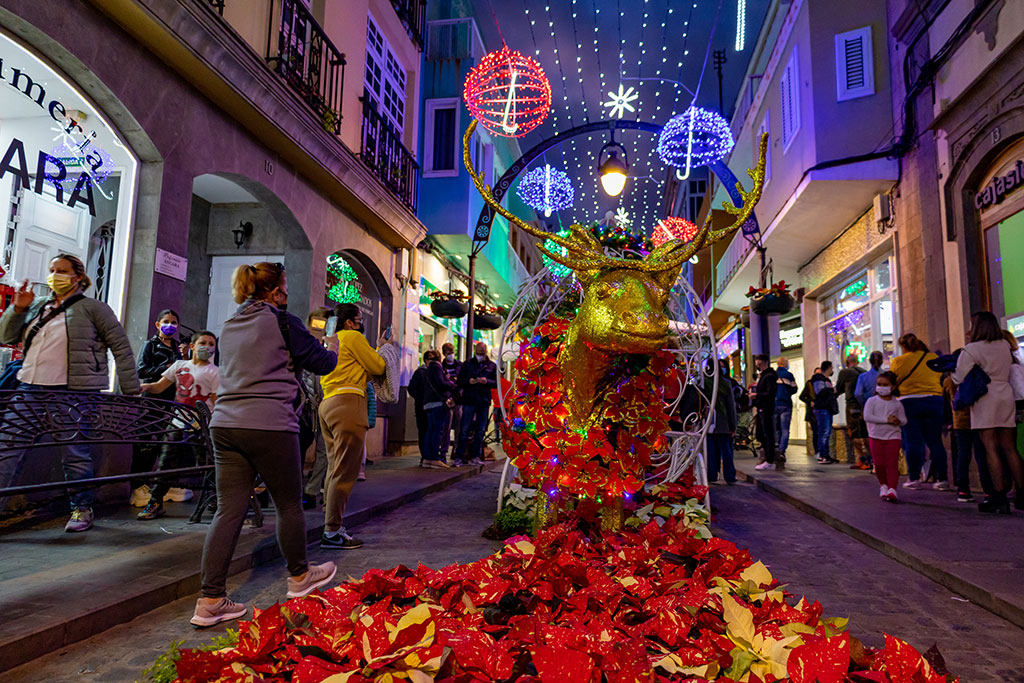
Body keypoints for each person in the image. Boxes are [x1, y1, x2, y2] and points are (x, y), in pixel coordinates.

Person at [192, 262, 338, 628]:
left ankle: (210, 600)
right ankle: (300, 577)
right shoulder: (283, 321)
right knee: (288, 502)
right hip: (269, 423)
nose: (287, 293)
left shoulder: (228, 325)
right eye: (284, 287)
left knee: (228, 511)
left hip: (225, 424)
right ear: (274, 292)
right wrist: (331, 342)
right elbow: (323, 363)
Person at [0, 253, 140, 532]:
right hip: (29, 387)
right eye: (52, 269)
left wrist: (131, 389)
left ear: (78, 276)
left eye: (62, 270)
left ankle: (81, 508)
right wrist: (17, 309)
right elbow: (5, 338)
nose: (55, 275)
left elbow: (120, 347)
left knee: (74, 452)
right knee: (6, 448)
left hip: (72, 392)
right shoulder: (38, 305)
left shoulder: (94, 309)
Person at [318, 303, 388, 549]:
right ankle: (332, 531)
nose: (361, 324)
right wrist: (383, 349)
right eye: (358, 319)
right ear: (349, 321)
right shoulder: (352, 337)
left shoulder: (332, 339)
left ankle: (330, 521)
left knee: (334, 466)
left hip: (327, 402)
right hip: (349, 402)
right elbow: (378, 366)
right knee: (345, 471)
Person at [137, 330, 220, 520]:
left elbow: (215, 401)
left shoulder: (215, 372)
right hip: (177, 422)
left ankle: (214, 500)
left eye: (211, 344)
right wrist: (146, 387)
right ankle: (155, 502)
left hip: (202, 426)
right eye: (203, 343)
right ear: (192, 346)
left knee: (208, 464)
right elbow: (160, 385)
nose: (207, 347)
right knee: (166, 461)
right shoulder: (179, 366)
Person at [951, 311, 1024, 514]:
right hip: (1005, 394)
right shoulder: (1004, 346)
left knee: (990, 447)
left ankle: (998, 497)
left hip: (986, 397)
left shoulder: (972, 349)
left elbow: (958, 377)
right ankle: (1022, 493)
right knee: (1010, 447)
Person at [130, 309, 183, 507]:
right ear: (158, 324)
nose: (170, 325)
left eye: (174, 322)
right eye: (166, 321)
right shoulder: (150, 345)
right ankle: (138, 486)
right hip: (152, 399)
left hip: (171, 400)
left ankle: (162, 485)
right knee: (147, 443)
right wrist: (168, 367)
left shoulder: (178, 347)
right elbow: (142, 370)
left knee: (167, 444)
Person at [891, 333, 950, 490]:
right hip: (933, 400)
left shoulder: (898, 361)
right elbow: (940, 376)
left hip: (909, 402)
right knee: (935, 441)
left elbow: (893, 380)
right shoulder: (932, 357)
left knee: (913, 441)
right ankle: (942, 480)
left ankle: (914, 478)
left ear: (903, 347)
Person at [863, 371, 907, 502]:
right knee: (879, 464)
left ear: (893, 386)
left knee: (892, 463)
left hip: (893, 436)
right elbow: (867, 417)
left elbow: (904, 420)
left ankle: (893, 489)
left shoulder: (897, 404)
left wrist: (898, 421)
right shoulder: (871, 401)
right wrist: (886, 420)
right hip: (875, 436)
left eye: (885, 384)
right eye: (879, 384)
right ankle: (883, 485)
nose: (881, 387)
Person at [454, 341, 497, 466]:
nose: (480, 355)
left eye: (482, 353)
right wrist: (469, 381)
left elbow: (495, 382)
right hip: (469, 399)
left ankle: (475, 455)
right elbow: (460, 380)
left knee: (480, 430)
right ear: (475, 352)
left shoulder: (491, 366)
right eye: (478, 353)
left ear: (485, 352)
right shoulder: (468, 364)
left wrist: (486, 381)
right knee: (464, 429)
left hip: (483, 401)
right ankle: (460, 456)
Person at [420, 349, 456, 468]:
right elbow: (441, 384)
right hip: (437, 403)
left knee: (430, 431)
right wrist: (451, 383)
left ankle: (427, 458)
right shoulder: (436, 367)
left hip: (428, 403)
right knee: (437, 431)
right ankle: (434, 458)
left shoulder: (426, 370)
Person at [835, 353, 870, 470]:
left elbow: (839, 389)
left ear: (846, 362)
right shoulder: (864, 372)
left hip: (852, 405)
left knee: (854, 433)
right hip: (865, 406)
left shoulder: (845, 372)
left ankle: (862, 459)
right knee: (865, 432)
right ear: (858, 361)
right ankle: (869, 459)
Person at [707, 360, 738, 484]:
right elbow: (731, 406)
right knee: (726, 451)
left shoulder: (704, 383)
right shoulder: (725, 383)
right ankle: (729, 476)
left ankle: (711, 475)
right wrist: (733, 426)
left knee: (710, 451)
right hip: (723, 423)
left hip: (708, 423)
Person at [751, 354, 779, 471]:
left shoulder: (769, 376)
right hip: (762, 408)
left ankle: (770, 460)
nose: (756, 363)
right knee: (762, 434)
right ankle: (767, 458)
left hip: (766, 408)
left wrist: (757, 395)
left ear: (762, 362)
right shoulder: (763, 375)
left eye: (757, 361)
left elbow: (770, 393)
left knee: (768, 435)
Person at [810, 362, 839, 463]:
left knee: (826, 432)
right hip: (822, 408)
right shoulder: (818, 378)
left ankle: (826, 454)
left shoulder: (827, 380)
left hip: (827, 408)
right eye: (831, 368)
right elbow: (820, 391)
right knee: (823, 432)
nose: (832, 370)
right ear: (828, 368)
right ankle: (822, 455)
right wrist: (832, 390)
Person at [440, 342, 462, 460]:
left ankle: (456, 452)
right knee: (445, 428)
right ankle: (443, 452)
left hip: (458, 400)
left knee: (459, 428)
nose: (451, 355)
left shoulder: (460, 366)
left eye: (452, 353)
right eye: (449, 353)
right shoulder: (441, 367)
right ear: (444, 354)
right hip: (447, 400)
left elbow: (463, 383)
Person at [407, 353, 430, 462]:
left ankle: (429, 455)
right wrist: (420, 398)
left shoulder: (437, 372)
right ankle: (425, 455)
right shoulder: (420, 373)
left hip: (431, 406)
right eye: (431, 359)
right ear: (425, 360)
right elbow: (411, 388)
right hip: (422, 406)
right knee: (423, 430)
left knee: (431, 430)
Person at [774, 357, 797, 459]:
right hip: (786, 404)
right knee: (785, 429)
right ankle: (782, 450)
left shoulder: (773, 375)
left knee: (776, 428)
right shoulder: (789, 375)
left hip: (774, 404)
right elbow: (794, 389)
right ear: (785, 364)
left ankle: (776, 446)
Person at [854, 351, 884, 416]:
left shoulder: (863, 376)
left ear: (870, 361)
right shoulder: (887, 375)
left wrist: (865, 402)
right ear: (882, 361)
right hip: (885, 407)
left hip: (868, 407)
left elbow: (858, 394)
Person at [799, 367, 820, 456]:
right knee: (816, 432)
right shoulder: (809, 384)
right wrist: (809, 401)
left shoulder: (824, 383)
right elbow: (802, 396)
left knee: (821, 432)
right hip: (812, 413)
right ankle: (817, 451)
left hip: (821, 410)